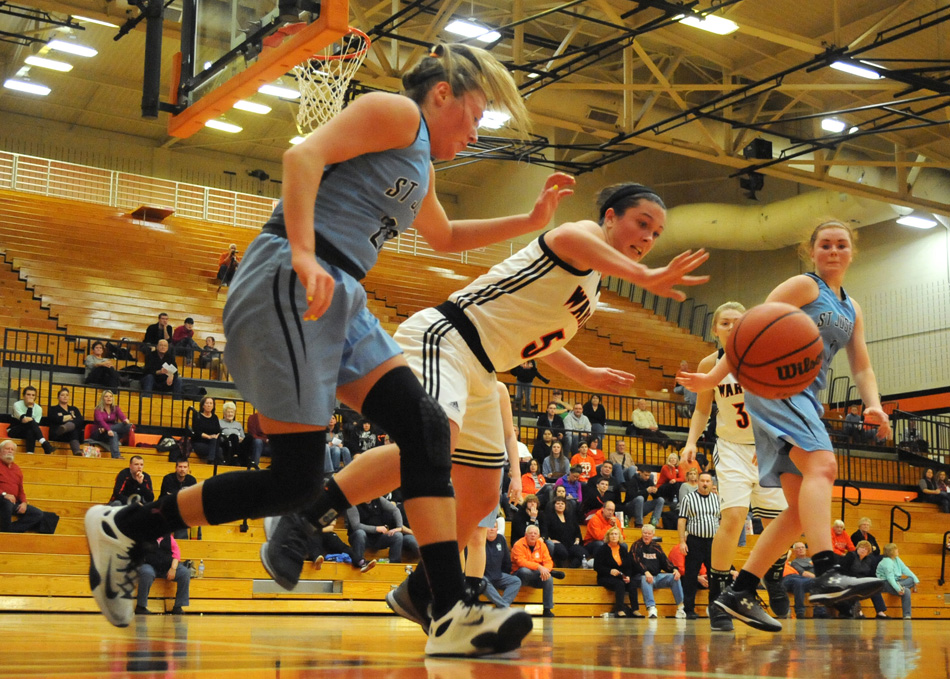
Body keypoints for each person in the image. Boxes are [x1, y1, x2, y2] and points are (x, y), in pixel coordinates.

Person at [87, 41, 553, 655]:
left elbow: (442, 236)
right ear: (443, 93)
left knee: (418, 431)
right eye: (476, 113)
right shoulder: (396, 112)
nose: (477, 130)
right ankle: (127, 525)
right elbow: (302, 154)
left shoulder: (421, 160)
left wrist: (531, 221)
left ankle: (449, 612)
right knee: (302, 475)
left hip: (343, 293)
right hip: (293, 271)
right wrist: (304, 252)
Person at [258, 176, 705, 645]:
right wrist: (651, 278)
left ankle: (420, 590)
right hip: (447, 339)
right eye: (642, 224)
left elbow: (535, 339)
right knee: (434, 441)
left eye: (657, 234)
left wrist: (586, 374)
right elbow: (568, 237)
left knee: (479, 493)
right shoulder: (580, 238)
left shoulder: (593, 280)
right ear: (610, 217)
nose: (649, 238)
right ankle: (305, 515)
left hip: (485, 371)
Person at [679, 220, 891, 632]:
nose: (833, 251)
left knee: (797, 511)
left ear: (852, 252)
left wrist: (874, 405)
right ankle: (827, 570)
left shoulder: (851, 306)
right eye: (825, 244)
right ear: (810, 252)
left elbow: (860, 364)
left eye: (841, 245)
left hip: (806, 395)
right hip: (776, 387)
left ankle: (738, 591)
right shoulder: (802, 286)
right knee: (824, 467)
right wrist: (710, 379)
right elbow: (749, 329)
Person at [679, 300, 791, 631]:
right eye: (724, 322)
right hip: (730, 448)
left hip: (766, 446)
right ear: (715, 329)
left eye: (737, 322)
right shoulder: (708, 363)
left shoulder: (764, 359)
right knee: (734, 518)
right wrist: (690, 442)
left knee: (781, 522)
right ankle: (718, 601)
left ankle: (773, 575)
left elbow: (781, 406)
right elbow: (702, 410)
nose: (731, 327)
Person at [677, 471, 720, 619]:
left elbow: (721, 521)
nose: (705, 483)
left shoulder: (717, 499)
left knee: (714, 576)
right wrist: (682, 541)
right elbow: (682, 520)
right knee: (690, 576)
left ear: (712, 484)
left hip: (713, 543)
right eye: (702, 481)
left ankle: (714, 607)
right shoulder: (689, 498)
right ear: (698, 482)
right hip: (695, 541)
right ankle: (689, 609)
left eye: (708, 481)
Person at [0, 439, 59, 534]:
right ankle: (6, 533)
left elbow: (21, 490)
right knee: (7, 503)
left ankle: (9, 531)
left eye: (12, 449)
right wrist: (4, 494)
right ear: (1, 451)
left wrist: (24, 502)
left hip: (13, 501)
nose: (10, 451)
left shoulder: (17, 469)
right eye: (7, 449)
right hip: (2, 499)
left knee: (38, 514)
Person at [631, 523, 685, 619]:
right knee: (645, 578)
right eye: (645, 533)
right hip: (640, 577)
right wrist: (645, 571)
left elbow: (665, 561)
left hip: (657, 577)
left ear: (653, 535)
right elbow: (636, 561)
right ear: (642, 533)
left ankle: (681, 607)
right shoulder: (636, 545)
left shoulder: (656, 547)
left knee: (674, 577)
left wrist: (674, 569)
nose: (646, 535)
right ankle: (651, 608)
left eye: (649, 533)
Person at [346, 495, 417, 567]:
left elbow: (395, 510)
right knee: (360, 533)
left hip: (378, 537)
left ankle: (394, 564)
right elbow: (356, 526)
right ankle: (359, 562)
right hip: (360, 538)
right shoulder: (353, 503)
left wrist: (399, 527)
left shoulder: (378, 499)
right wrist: (375, 528)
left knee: (397, 535)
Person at [511, 525, 562, 617]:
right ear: (525, 535)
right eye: (530, 533)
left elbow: (548, 561)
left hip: (536, 575)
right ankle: (550, 573)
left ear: (538, 536)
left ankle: (547, 609)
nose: (533, 535)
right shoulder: (518, 544)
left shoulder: (542, 545)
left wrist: (546, 570)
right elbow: (521, 562)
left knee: (548, 578)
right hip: (520, 576)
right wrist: (539, 567)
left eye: (535, 533)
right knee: (525, 571)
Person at [593, 526, 644, 618]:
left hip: (620, 576)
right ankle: (619, 610)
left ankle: (635, 610)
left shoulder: (623, 549)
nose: (613, 536)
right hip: (605, 577)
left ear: (619, 536)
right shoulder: (602, 549)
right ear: (608, 536)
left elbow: (628, 566)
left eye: (616, 534)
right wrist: (609, 571)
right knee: (619, 584)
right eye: (611, 534)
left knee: (632, 583)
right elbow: (597, 566)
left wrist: (628, 576)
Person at [135, 534, 190, 615]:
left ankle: (178, 606)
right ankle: (140, 606)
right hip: (150, 566)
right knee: (146, 572)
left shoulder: (169, 538)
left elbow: (176, 554)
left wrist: (173, 568)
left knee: (184, 573)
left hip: (167, 567)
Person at [839, 540, 886, 618]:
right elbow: (844, 570)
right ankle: (858, 611)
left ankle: (880, 612)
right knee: (855, 588)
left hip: (862, 580)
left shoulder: (870, 560)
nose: (863, 550)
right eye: (861, 547)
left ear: (868, 552)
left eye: (866, 549)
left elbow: (872, 574)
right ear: (857, 548)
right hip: (849, 580)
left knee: (875, 588)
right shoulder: (851, 556)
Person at [482, 523, 522, 608]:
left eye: (494, 527)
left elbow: (506, 561)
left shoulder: (501, 539)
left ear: (497, 529)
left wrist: (503, 573)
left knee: (516, 581)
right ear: (484, 529)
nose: (492, 529)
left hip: (498, 575)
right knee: (482, 581)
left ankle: (500, 608)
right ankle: (504, 607)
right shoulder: (479, 540)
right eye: (489, 527)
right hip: (482, 576)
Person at [876, 543, 919, 620]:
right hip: (885, 583)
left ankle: (900, 585)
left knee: (911, 579)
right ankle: (907, 615)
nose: (897, 550)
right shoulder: (887, 562)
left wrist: (915, 579)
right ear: (891, 551)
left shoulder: (897, 559)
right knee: (907, 591)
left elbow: (905, 569)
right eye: (895, 549)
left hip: (897, 581)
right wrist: (898, 589)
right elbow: (890, 578)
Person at [543, 496, 587, 568]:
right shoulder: (549, 517)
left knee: (583, 554)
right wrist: (550, 540)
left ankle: (571, 568)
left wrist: (577, 538)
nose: (560, 505)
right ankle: (561, 568)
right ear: (554, 505)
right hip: (558, 543)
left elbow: (577, 530)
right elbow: (545, 530)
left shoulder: (570, 517)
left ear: (565, 505)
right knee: (562, 553)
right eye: (558, 503)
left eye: (562, 503)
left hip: (571, 543)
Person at [9, 386, 53, 455]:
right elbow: (25, 420)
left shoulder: (38, 408)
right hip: (15, 430)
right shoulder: (17, 404)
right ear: (23, 396)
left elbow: (35, 425)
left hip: (28, 431)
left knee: (31, 431)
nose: (31, 397)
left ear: (35, 397)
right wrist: (30, 406)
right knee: (31, 423)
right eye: (28, 394)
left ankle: (30, 454)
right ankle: (44, 443)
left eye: (33, 395)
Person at [782, 542, 819, 619]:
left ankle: (820, 610)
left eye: (803, 547)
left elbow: (788, 552)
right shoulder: (774, 563)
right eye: (798, 548)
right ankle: (800, 612)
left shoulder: (785, 562)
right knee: (799, 582)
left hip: (798, 577)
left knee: (818, 582)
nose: (801, 549)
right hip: (787, 578)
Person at [94, 390, 133, 459]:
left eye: (110, 396)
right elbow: (101, 421)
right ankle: (116, 456)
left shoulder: (115, 408)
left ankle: (108, 430)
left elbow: (122, 416)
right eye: (106, 396)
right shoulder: (98, 409)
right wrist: (108, 429)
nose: (109, 398)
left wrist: (125, 420)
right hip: (99, 432)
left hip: (106, 430)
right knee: (114, 433)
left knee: (128, 426)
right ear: (102, 398)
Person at [47, 387, 85, 456]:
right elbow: (55, 419)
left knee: (73, 430)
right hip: (58, 433)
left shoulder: (74, 409)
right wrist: (70, 417)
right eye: (62, 395)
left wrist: (65, 419)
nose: (65, 397)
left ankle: (67, 427)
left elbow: (80, 420)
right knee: (73, 429)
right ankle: (76, 450)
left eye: (67, 395)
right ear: (58, 397)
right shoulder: (53, 409)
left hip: (70, 435)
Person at [190, 396, 223, 465]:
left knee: (218, 447)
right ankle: (213, 462)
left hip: (212, 443)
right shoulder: (197, 416)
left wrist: (214, 437)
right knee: (218, 450)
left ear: (213, 406)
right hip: (200, 442)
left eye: (211, 403)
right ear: (203, 405)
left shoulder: (215, 417)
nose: (209, 405)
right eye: (207, 403)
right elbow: (197, 431)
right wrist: (208, 437)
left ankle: (211, 461)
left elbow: (218, 431)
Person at [219, 401, 247, 467]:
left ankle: (247, 461)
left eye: (232, 412)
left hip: (238, 443)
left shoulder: (238, 424)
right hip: (226, 443)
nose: (230, 414)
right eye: (228, 412)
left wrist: (241, 439)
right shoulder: (219, 422)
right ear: (224, 413)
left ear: (234, 413)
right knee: (233, 436)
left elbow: (243, 437)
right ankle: (235, 458)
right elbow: (218, 435)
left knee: (249, 438)